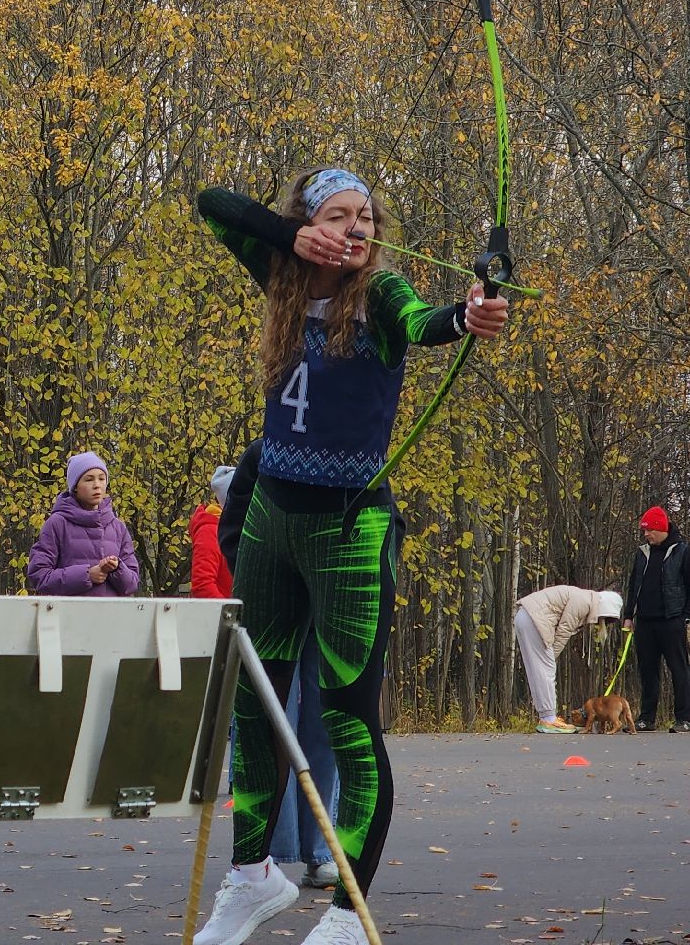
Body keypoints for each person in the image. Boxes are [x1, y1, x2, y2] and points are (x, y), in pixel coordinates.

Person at [191, 169, 512, 945]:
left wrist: (473, 312)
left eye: (366, 216)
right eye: (339, 215)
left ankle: (347, 912)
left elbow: (436, 320)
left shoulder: (382, 296)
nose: (358, 228)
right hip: (271, 522)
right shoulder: (282, 275)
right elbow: (212, 205)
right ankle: (252, 877)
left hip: (350, 534)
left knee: (348, 724)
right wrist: (288, 236)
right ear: (310, 225)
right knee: (254, 706)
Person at [214, 440, 339, 890]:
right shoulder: (266, 453)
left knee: (324, 728)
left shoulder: (348, 450)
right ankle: (264, 854)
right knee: (268, 725)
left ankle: (321, 849)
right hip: (272, 609)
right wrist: (258, 580)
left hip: (326, 610)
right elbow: (233, 529)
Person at [621, 506, 690, 732]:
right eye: (644, 531)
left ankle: (684, 718)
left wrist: (685, 616)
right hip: (644, 621)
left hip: (672, 620)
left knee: (679, 669)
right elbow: (633, 586)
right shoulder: (642, 553)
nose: (645, 535)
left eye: (649, 530)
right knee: (647, 671)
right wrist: (629, 616)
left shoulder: (682, 551)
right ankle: (647, 718)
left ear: (660, 528)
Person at [513, 584, 625, 733]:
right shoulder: (584, 601)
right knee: (545, 670)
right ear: (605, 607)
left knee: (537, 671)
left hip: (525, 616)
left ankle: (545, 718)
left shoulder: (585, 598)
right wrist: (551, 658)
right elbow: (564, 630)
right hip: (534, 619)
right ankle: (549, 719)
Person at [29, 452, 140, 596]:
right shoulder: (56, 524)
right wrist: (86, 575)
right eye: (89, 479)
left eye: (101, 479)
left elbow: (132, 584)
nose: (97, 485)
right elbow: (40, 576)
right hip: (68, 616)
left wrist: (116, 569)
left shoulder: (118, 527)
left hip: (112, 617)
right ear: (75, 486)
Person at [190, 465, 236, 599]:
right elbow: (202, 585)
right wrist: (232, 613)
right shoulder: (209, 531)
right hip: (223, 617)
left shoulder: (238, 526)